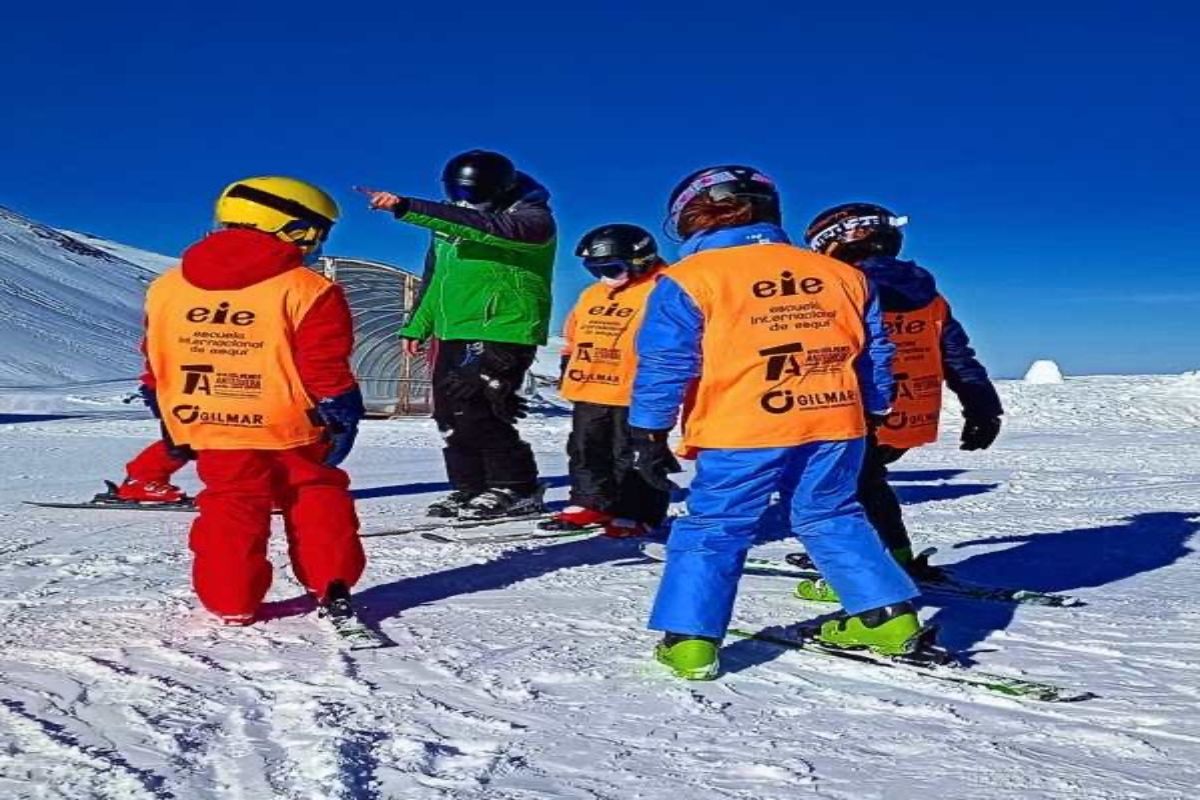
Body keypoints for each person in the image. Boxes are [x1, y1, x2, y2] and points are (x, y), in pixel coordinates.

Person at [628, 165, 922, 680]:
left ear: (694, 217)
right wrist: (874, 409)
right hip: (836, 419)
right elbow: (875, 353)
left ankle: (691, 641)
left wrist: (648, 430)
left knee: (715, 526)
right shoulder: (843, 275)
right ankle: (888, 618)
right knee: (831, 515)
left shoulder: (690, 279)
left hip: (742, 425)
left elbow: (666, 362)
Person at [142, 176, 366, 626]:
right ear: (295, 229)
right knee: (313, 492)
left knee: (230, 501)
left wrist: (163, 409)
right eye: (318, 233)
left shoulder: (166, 286)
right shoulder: (309, 289)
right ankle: (332, 583)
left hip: (205, 418)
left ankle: (230, 601)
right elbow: (325, 367)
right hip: (288, 422)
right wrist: (343, 411)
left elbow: (155, 356)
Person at [795, 203, 1003, 600]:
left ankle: (861, 573)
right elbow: (957, 356)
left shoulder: (841, 288)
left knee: (837, 493)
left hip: (854, 411)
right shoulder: (929, 295)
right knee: (870, 485)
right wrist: (982, 407)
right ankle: (896, 556)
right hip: (909, 415)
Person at [363, 150, 555, 520]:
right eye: (458, 194)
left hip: (502, 328)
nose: (465, 203)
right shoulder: (451, 225)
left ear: (500, 189)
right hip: (455, 330)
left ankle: (518, 488)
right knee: (450, 413)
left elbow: (488, 228)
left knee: (482, 410)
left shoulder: (532, 219)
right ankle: (471, 488)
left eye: (474, 195)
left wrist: (408, 207)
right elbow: (436, 280)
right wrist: (417, 325)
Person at [540, 224, 673, 538]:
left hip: (635, 390)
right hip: (591, 385)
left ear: (641, 260)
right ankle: (591, 501)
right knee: (586, 448)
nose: (603, 276)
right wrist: (567, 359)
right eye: (594, 269)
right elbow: (575, 331)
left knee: (634, 454)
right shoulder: (593, 294)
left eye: (611, 268)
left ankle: (637, 512)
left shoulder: (664, 289)